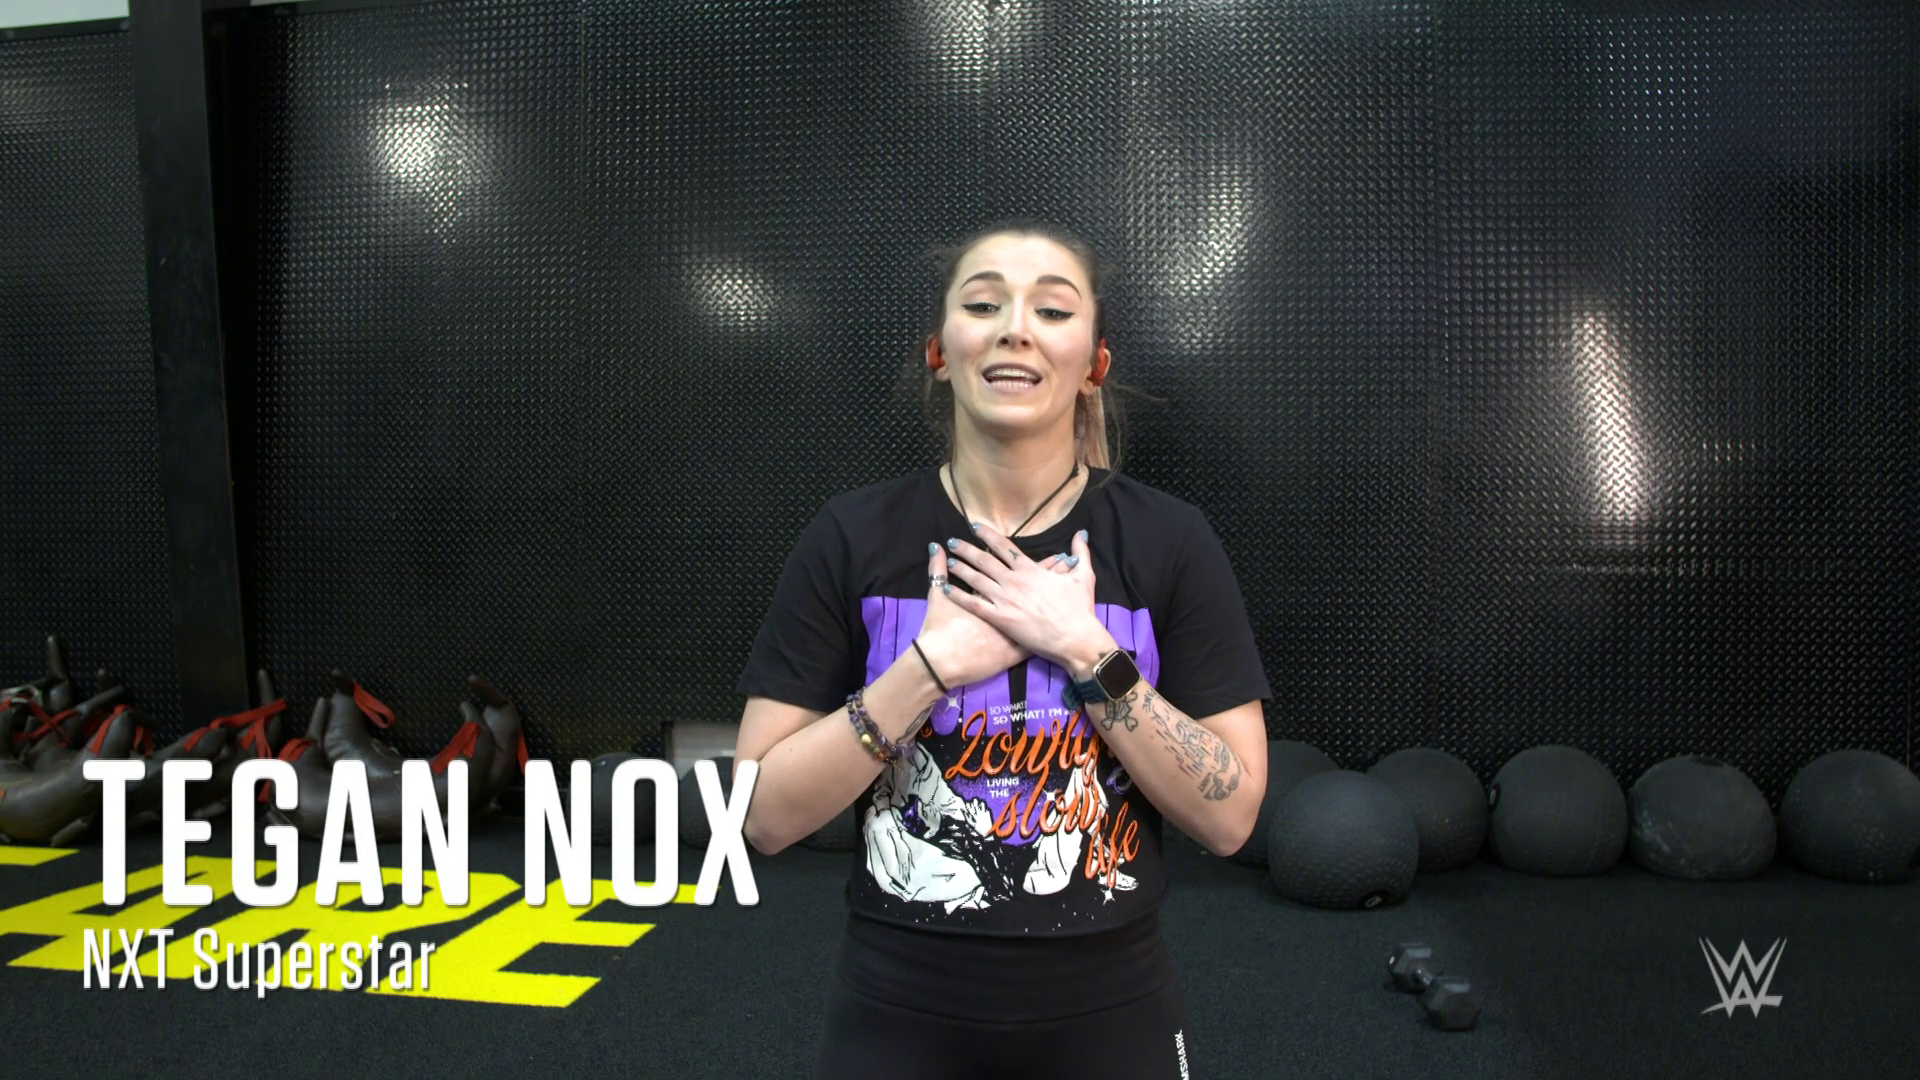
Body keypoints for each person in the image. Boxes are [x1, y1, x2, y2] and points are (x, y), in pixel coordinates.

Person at [733, 220, 1272, 1080]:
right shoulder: (852, 537)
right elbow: (760, 816)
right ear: (940, 353)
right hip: (896, 1004)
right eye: (984, 304)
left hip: (1112, 1006)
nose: (1015, 327)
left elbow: (1231, 815)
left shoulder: (1168, 541)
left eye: (1052, 310)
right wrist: (927, 670)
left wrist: (1087, 651)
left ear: (1094, 365)